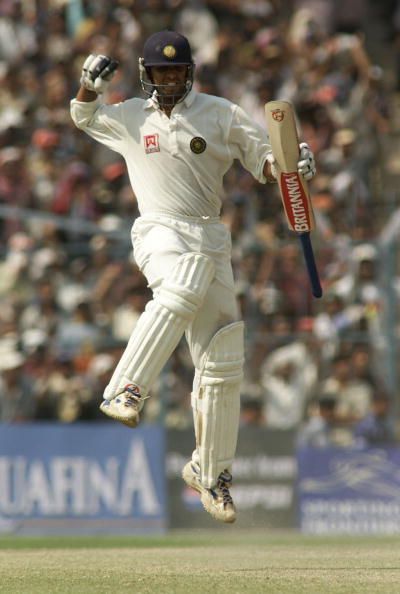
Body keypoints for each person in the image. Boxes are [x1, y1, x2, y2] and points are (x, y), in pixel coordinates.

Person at [70, 30, 316, 523]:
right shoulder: (130, 117)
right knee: (178, 289)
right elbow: (83, 117)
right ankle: (125, 388)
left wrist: (291, 164)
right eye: (161, 71)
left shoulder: (220, 112)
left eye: (177, 70)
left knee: (224, 357)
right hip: (159, 229)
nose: (169, 78)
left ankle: (211, 473)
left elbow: (262, 160)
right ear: (146, 74)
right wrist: (88, 86)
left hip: (209, 237)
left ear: (189, 71)